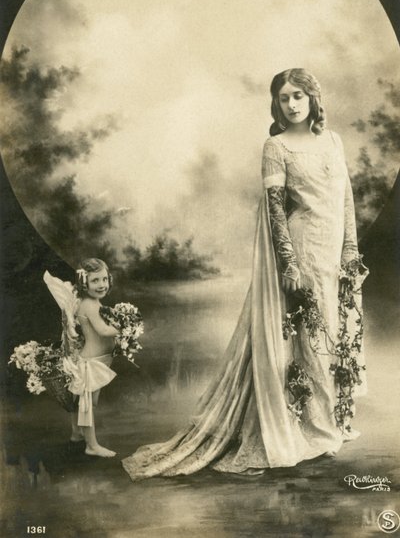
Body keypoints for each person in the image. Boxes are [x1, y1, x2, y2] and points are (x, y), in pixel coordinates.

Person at [122, 68, 367, 481]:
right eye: (284, 97)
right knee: (309, 339)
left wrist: (351, 250)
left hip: (335, 254)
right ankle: (306, 427)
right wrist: (288, 263)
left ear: (313, 99)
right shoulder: (275, 147)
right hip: (304, 251)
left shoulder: (334, 140)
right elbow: (275, 210)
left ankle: (330, 423)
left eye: (298, 96)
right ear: (276, 104)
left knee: (338, 334)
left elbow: (345, 199)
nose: (291, 104)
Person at [44, 258, 119, 458]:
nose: (102, 284)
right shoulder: (89, 305)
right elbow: (103, 331)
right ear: (84, 282)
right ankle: (91, 445)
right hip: (91, 362)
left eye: (104, 279)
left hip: (98, 360)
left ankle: (76, 434)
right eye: (95, 281)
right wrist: (124, 328)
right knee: (86, 404)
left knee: (83, 401)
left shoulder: (93, 302)